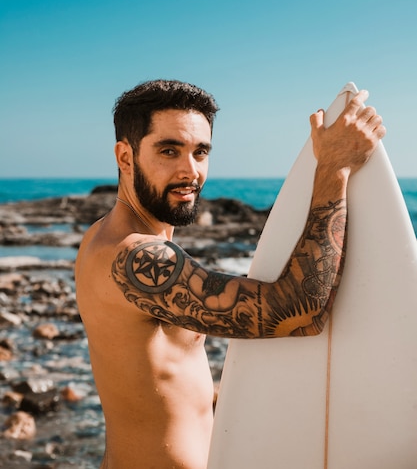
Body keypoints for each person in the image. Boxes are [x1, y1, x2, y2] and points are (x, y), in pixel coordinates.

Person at [75, 78, 385, 469]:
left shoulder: (103, 236)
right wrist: (334, 168)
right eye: (169, 150)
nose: (191, 171)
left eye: (200, 152)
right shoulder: (134, 257)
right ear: (125, 157)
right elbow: (299, 311)